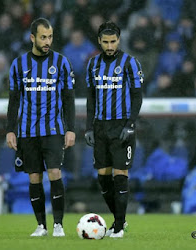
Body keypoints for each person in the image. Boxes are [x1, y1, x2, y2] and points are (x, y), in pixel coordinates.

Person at [6, 18, 76, 237]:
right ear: (32, 38)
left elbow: (68, 98)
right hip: (27, 132)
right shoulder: (18, 65)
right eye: (43, 37)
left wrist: (70, 128)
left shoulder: (62, 62)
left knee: (54, 172)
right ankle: (41, 226)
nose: (48, 41)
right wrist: (10, 129)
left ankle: (58, 225)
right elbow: (14, 100)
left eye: (50, 37)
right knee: (34, 177)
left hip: (53, 129)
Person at [84, 21, 143, 238]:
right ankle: (121, 219)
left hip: (121, 126)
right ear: (99, 41)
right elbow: (90, 98)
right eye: (106, 42)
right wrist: (88, 127)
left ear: (119, 40)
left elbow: (137, 96)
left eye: (113, 41)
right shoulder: (92, 65)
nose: (109, 46)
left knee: (120, 173)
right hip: (100, 127)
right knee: (103, 177)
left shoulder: (130, 63)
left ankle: (118, 226)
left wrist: (131, 124)